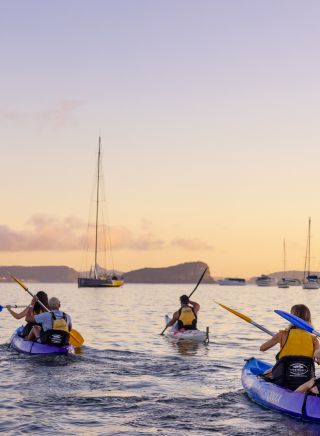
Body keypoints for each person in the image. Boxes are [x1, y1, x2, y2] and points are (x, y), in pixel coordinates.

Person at [260, 304, 319, 390]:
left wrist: (276, 339)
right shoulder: (314, 339)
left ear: (291, 318)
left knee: (266, 373)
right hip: (305, 381)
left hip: (282, 380)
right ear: (309, 318)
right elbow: (318, 357)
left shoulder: (282, 335)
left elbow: (262, 348)